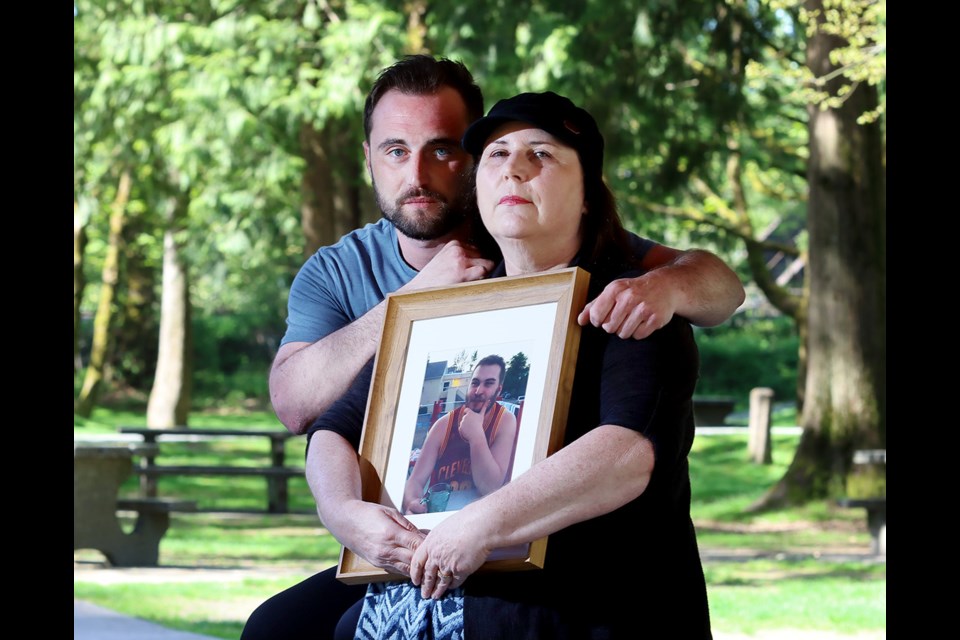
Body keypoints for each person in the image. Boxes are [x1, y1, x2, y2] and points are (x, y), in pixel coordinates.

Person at [243, 56, 735, 639]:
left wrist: (477, 526)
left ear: (586, 195)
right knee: (282, 629)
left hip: (578, 584)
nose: (515, 172)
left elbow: (628, 454)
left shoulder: (627, 297)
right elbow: (332, 423)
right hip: (440, 563)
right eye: (497, 156)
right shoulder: (444, 297)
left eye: (542, 155)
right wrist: (345, 514)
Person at [267, 54, 746, 438]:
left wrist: (667, 286)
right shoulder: (336, 271)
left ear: (475, 159)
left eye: (442, 150)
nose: (416, 175)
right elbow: (294, 407)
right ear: (369, 159)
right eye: (396, 151)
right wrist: (414, 298)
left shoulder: (527, 231)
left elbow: (722, 289)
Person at [402, 355, 517, 515]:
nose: (478, 391)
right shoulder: (444, 425)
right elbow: (415, 480)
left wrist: (476, 436)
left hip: (481, 519)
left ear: (499, 390)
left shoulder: (505, 421)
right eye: (475, 383)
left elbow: (490, 487)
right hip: (440, 516)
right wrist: (413, 501)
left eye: (488, 384)